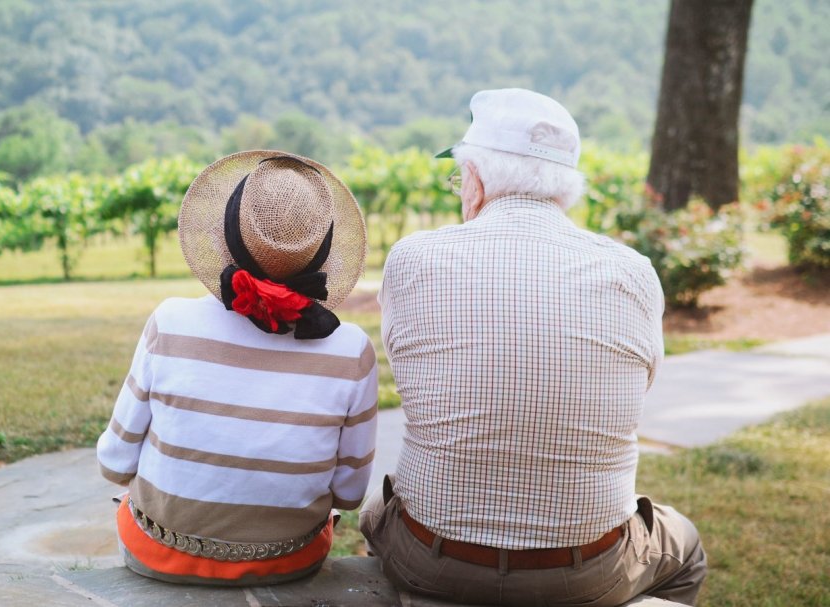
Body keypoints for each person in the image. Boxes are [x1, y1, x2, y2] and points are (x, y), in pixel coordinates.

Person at [360, 88, 707, 606]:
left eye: (459, 176)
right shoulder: (633, 271)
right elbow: (641, 384)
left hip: (432, 560)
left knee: (375, 513)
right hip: (589, 570)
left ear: (474, 178)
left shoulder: (414, 258)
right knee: (687, 548)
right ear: (566, 187)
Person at [97, 151, 378, 586]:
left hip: (158, 551)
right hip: (290, 560)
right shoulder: (350, 349)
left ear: (226, 235)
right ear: (321, 252)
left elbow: (114, 462)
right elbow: (350, 495)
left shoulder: (170, 322)